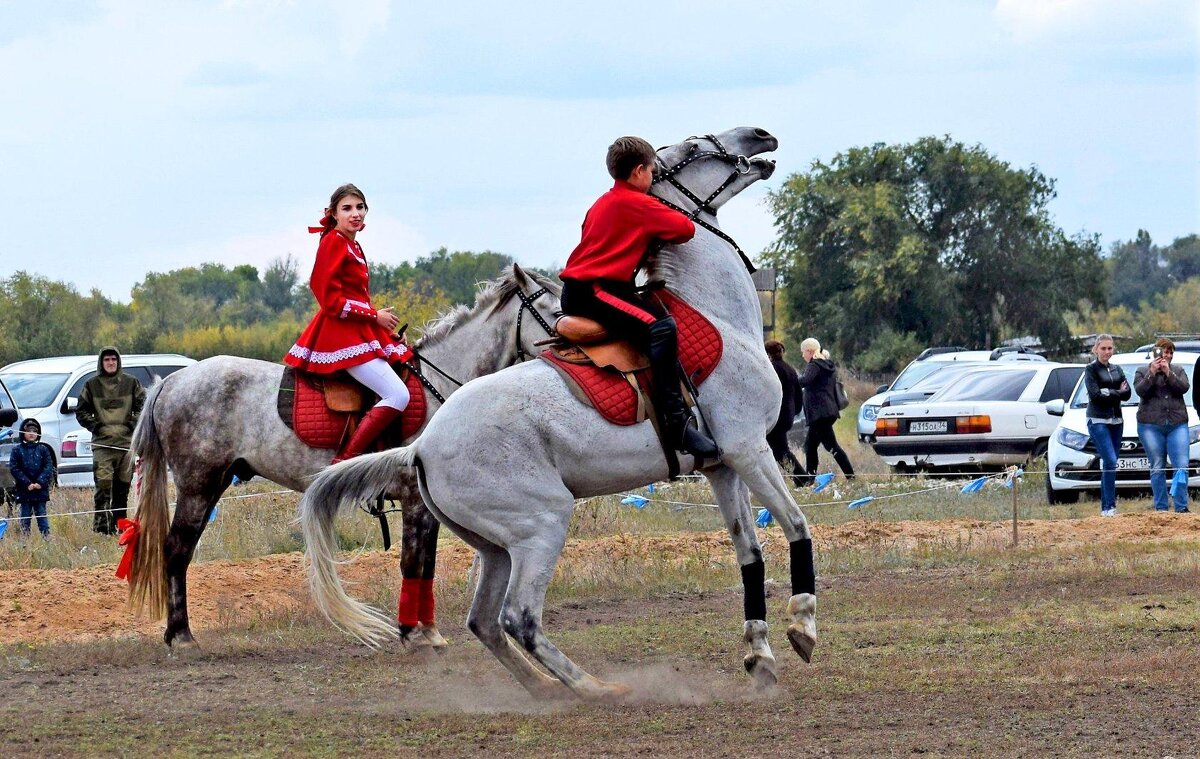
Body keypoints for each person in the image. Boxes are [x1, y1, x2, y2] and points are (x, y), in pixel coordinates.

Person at [559, 136, 718, 458]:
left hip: (595, 288)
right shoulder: (636, 203)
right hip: (595, 291)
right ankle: (677, 424)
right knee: (661, 327)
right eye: (651, 170)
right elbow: (685, 230)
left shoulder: (604, 202)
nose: (652, 177)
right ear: (638, 172)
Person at [284, 183, 412, 462]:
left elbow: (357, 298)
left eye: (360, 207)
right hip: (340, 335)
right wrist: (373, 316)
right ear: (333, 214)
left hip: (356, 330)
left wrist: (384, 332)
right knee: (398, 396)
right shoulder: (333, 241)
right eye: (347, 208)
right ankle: (344, 463)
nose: (355, 214)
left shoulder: (352, 243)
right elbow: (327, 297)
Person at [76, 347, 145, 534]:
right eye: (107, 359)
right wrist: (96, 426)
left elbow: (143, 406)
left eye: (114, 359)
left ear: (118, 361)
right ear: (101, 362)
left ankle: (120, 526)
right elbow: (80, 411)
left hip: (125, 444)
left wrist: (132, 424)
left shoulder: (131, 383)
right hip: (102, 445)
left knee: (122, 488)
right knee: (103, 486)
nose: (111, 362)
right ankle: (101, 528)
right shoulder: (91, 385)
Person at [1134, 338, 1190, 513]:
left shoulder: (1178, 370)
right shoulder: (1142, 371)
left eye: (1171, 352)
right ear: (1156, 352)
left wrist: (1168, 373)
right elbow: (1140, 391)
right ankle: (1161, 508)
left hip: (1177, 423)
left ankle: (1181, 507)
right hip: (1150, 425)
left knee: (1181, 465)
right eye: (1165, 352)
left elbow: (1184, 388)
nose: (1168, 355)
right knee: (1157, 465)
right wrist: (1152, 373)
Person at [1083, 334, 1131, 517]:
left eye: (1110, 348)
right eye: (1103, 348)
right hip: (1097, 420)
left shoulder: (1117, 369)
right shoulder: (1090, 370)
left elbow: (1128, 394)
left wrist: (1110, 392)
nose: (1106, 352)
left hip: (1117, 421)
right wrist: (1117, 392)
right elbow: (1095, 395)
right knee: (1110, 460)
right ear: (1096, 349)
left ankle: (1107, 507)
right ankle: (1109, 507)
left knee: (1110, 464)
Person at [796, 337, 855, 480]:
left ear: (809, 351)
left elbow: (805, 381)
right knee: (810, 446)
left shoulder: (814, 365)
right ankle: (810, 480)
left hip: (819, 414)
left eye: (803, 352)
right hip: (827, 412)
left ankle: (851, 477)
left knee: (831, 446)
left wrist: (792, 379)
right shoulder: (827, 365)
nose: (803, 355)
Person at [765, 340, 806, 479]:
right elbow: (798, 394)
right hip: (788, 414)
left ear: (768, 354)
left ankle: (801, 478)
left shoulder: (772, 369)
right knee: (776, 449)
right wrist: (794, 411)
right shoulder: (790, 369)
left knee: (778, 451)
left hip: (777, 415)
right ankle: (799, 478)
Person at [8, 419, 53, 537]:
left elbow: (48, 467)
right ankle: (25, 541)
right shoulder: (17, 450)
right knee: (25, 516)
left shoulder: (43, 449)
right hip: (24, 490)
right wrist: (27, 483)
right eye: (28, 431)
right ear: (23, 432)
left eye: (35, 431)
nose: (32, 433)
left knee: (41, 515)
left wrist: (40, 482)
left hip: (40, 490)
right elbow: (14, 468)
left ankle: (46, 538)